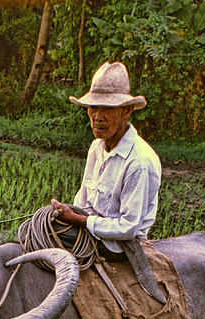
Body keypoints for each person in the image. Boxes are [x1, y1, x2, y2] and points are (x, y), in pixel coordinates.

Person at [50, 61, 161, 265]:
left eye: (107, 109)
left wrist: (79, 221)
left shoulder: (139, 161)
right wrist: (67, 213)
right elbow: (82, 200)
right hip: (89, 229)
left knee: (50, 241)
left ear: (126, 111)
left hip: (119, 245)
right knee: (43, 226)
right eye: (93, 108)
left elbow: (128, 228)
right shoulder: (96, 148)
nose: (97, 117)